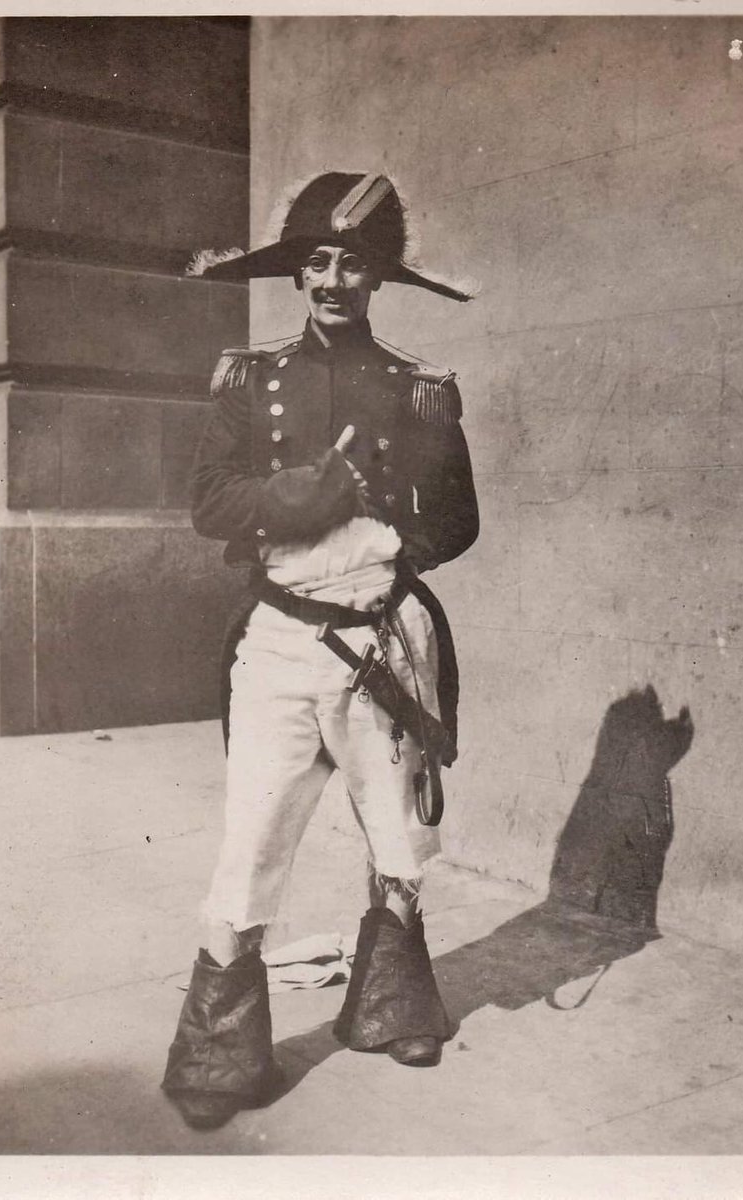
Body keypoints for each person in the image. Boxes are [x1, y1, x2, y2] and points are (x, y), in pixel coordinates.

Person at [161, 172, 479, 1130]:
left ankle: (391, 1005)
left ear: (377, 276)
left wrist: (385, 555)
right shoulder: (247, 380)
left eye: (351, 262)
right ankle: (220, 1051)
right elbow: (210, 503)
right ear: (298, 273)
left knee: (396, 831)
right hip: (283, 643)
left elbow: (458, 521)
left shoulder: (418, 390)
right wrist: (302, 496)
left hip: (380, 641)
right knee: (253, 836)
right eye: (316, 261)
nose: (332, 279)